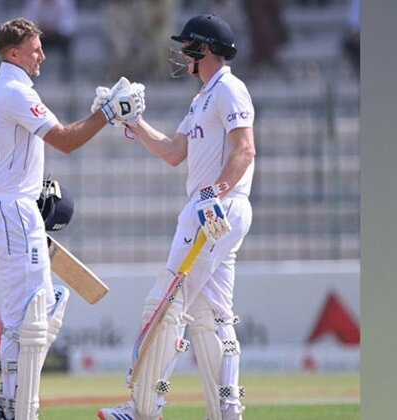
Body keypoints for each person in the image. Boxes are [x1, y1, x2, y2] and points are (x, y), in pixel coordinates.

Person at [0, 18, 145, 420]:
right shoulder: (14, 91)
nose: (42, 54)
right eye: (35, 48)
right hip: (12, 209)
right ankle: (14, 407)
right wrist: (110, 113)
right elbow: (64, 140)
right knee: (30, 315)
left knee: (31, 313)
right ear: (14, 53)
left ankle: (9, 403)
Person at [97, 14, 255, 420]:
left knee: (165, 303)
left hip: (215, 209)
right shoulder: (202, 97)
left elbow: (245, 150)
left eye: (188, 46)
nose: (182, 53)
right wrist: (133, 121)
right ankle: (227, 411)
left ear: (204, 49)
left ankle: (145, 407)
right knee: (211, 314)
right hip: (211, 210)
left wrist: (212, 195)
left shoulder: (229, 90)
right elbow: (173, 152)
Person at [22, 0, 78, 81]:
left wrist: (55, 27)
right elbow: (28, 21)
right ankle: (30, 74)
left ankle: (66, 75)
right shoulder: (34, 2)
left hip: (58, 35)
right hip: (40, 35)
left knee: (67, 41)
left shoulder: (65, 3)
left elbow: (69, 24)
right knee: (29, 42)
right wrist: (41, 27)